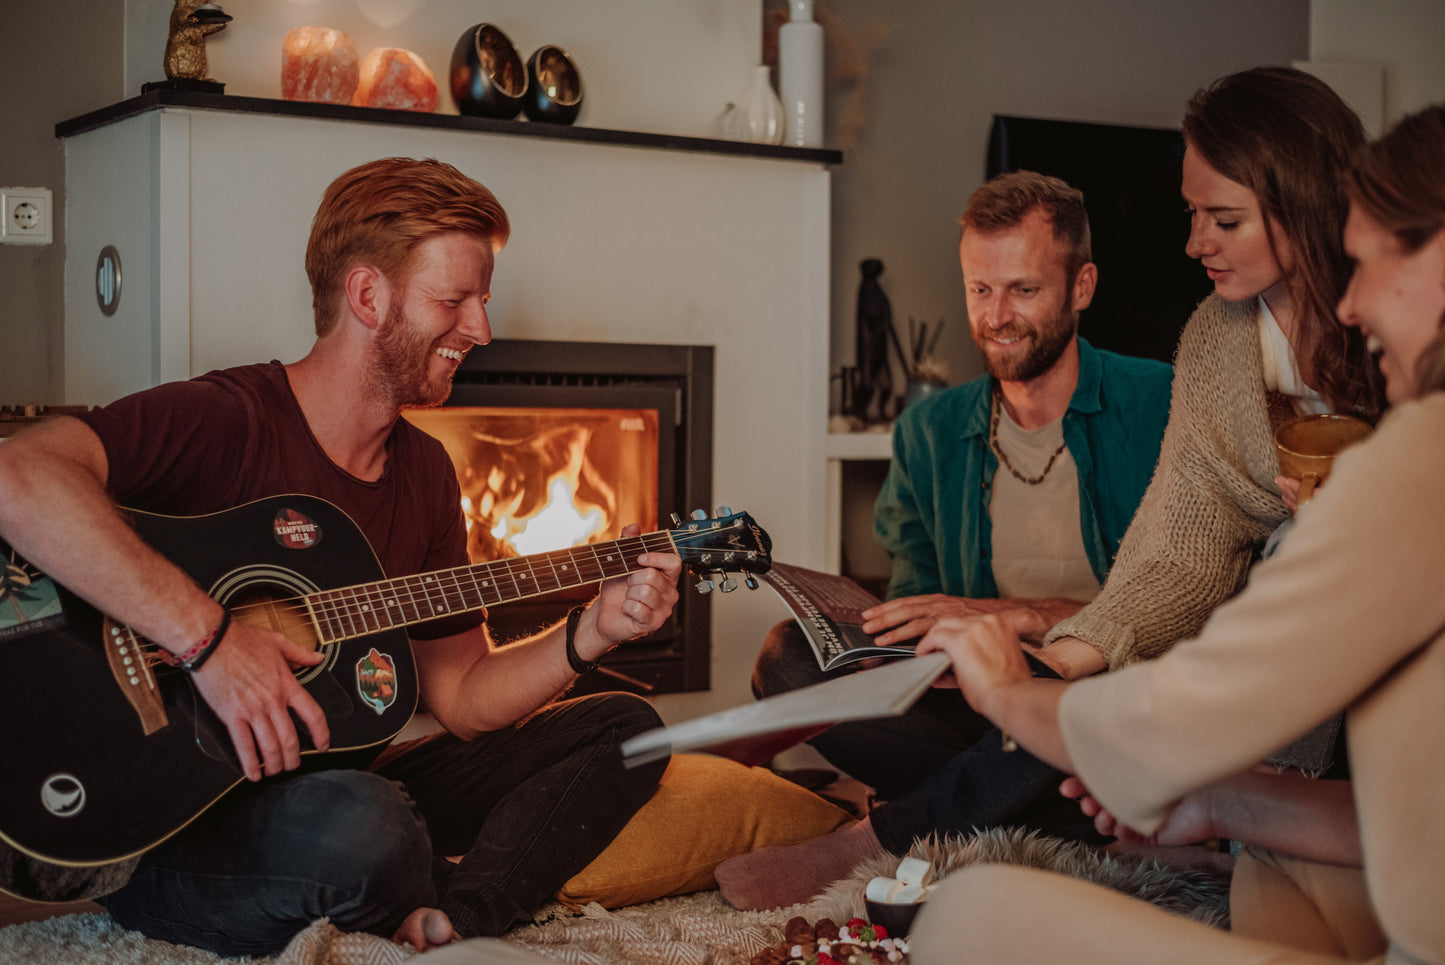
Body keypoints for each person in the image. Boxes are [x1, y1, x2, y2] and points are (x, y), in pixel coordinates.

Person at [0, 157, 682, 956]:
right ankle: (394, 874)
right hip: (179, 817)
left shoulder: (425, 471)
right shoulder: (228, 419)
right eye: (454, 300)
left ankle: (460, 918)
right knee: (368, 824)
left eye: (483, 300)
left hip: (344, 781)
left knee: (627, 729)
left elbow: (461, 694)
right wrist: (210, 639)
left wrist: (591, 632)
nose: (481, 329)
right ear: (368, 296)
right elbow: (19, 473)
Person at [908, 102, 1445, 965]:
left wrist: (1012, 690)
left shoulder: (1417, 459)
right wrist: (1226, 796)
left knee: (970, 914)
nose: (1351, 301)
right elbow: (1180, 541)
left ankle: (887, 829)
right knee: (1280, 874)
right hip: (1331, 789)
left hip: (1280, 709)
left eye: (1371, 260)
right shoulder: (1217, 341)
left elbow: (1171, 721)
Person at [718, 171, 1174, 910]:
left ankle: (884, 834)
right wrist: (911, 641)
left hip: (1107, 685)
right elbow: (916, 594)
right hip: (985, 707)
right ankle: (1054, 813)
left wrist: (1016, 615)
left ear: (1081, 285)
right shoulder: (929, 431)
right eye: (978, 290)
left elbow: (1174, 607)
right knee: (788, 658)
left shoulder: (1158, 401)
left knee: (1082, 698)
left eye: (1022, 290)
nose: (996, 317)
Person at [1041, 66, 1385, 682]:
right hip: (1285, 628)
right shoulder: (1213, 335)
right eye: (1191, 213)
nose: (1196, 244)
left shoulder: (1402, 315)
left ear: (1306, 207)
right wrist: (1066, 658)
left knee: (1288, 550)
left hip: (1387, 597)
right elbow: (1185, 546)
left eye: (1225, 221)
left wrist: (1366, 515)